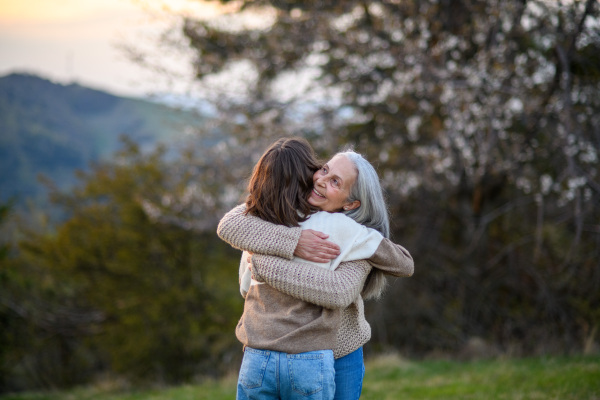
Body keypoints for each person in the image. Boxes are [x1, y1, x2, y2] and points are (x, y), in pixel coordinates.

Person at [217, 138, 414, 400]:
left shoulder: (352, 238)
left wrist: (265, 265)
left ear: (351, 203)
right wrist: (294, 242)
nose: (322, 180)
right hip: (288, 353)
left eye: (336, 182)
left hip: (340, 352)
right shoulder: (275, 212)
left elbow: (340, 292)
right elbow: (229, 224)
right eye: (324, 170)